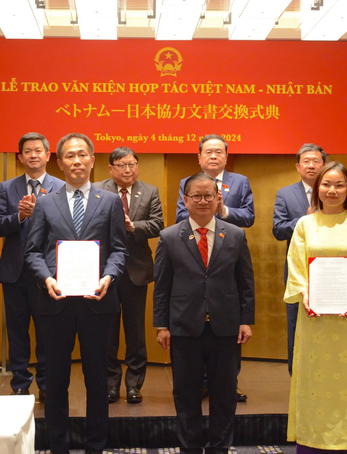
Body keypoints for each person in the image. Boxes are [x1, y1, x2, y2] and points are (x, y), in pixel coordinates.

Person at [24, 133, 127, 454]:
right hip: (55, 303)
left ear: (93, 160)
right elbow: (32, 252)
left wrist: (109, 276)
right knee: (56, 381)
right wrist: (46, 279)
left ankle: (96, 445)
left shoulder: (109, 201)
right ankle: (59, 446)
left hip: (98, 302)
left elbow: (119, 250)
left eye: (83, 155)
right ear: (60, 162)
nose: (77, 161)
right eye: (70, 156)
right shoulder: (44, 203)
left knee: (98, 380)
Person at [284, 161, 347, 453]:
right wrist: (303, 292)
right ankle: (313, 440)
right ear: (317, 189)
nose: (332, 190)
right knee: (316, 379)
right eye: (326, 184)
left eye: (339, 185)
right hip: (314, 317)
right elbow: (296, 265)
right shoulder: (305, 224)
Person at [154, 172, 255, 454]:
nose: (202, 201)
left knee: (224, 395)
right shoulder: (169, 236)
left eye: (208, 195)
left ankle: (220, 448)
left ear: (217, 198)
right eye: (196, 196)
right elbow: (161, 286)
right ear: (185, 200)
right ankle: (190, 448)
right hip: (184, 328)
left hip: (226, 328)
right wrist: (161, 325)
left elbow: (246, 282)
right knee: (186, 396)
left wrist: (246, 320)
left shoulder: (235, 234)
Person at [176, 134, 254, 401]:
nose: (213, 156)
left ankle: (229, 382)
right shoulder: (188, 183)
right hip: (195, 256)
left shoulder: (240, 182)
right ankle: (201, 383)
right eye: (208, 152)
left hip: (227, 256)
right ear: (199, 157)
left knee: (226, 324)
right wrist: (203, 208)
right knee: (199, 325)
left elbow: (249, 216)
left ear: (226, 156)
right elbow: (178, 216)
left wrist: (222, 212)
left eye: (218, 152)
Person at [0, 132, 64, 400]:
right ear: (19, 157)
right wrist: (18, 216)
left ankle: (46, 382)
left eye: (38, 151)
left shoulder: (61, 187)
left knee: (47, 331)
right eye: (28, 151)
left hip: (48, 273)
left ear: (48, 155)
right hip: (15, 272)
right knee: (17, 330)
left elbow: (68, 229)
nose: (33, 155)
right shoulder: (6, 188)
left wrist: (41, 217)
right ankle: (20, 381)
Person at [97, 146, 164, 404]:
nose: (128, 170)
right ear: (111, 168)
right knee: (107, 332)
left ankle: (134, 384)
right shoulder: (97, 189)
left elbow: (158, 224)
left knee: (135, 332)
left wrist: (133, 226)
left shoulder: (149, 191)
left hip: (136, 270)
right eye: (122, 165)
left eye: (133, 164)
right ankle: (110, 384)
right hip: (103, 271)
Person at [272, 143, 327, 375]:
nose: (311, 165)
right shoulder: (285, 194)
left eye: (316, 161)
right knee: (296, 324)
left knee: (328, 323)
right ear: (298, 166)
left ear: (324, 165)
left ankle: (327, 372)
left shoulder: (336, 192)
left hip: (332, 269)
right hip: (298, 270)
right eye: (306, 161)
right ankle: (297, 375)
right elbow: (278, 230)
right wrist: (304, 221)